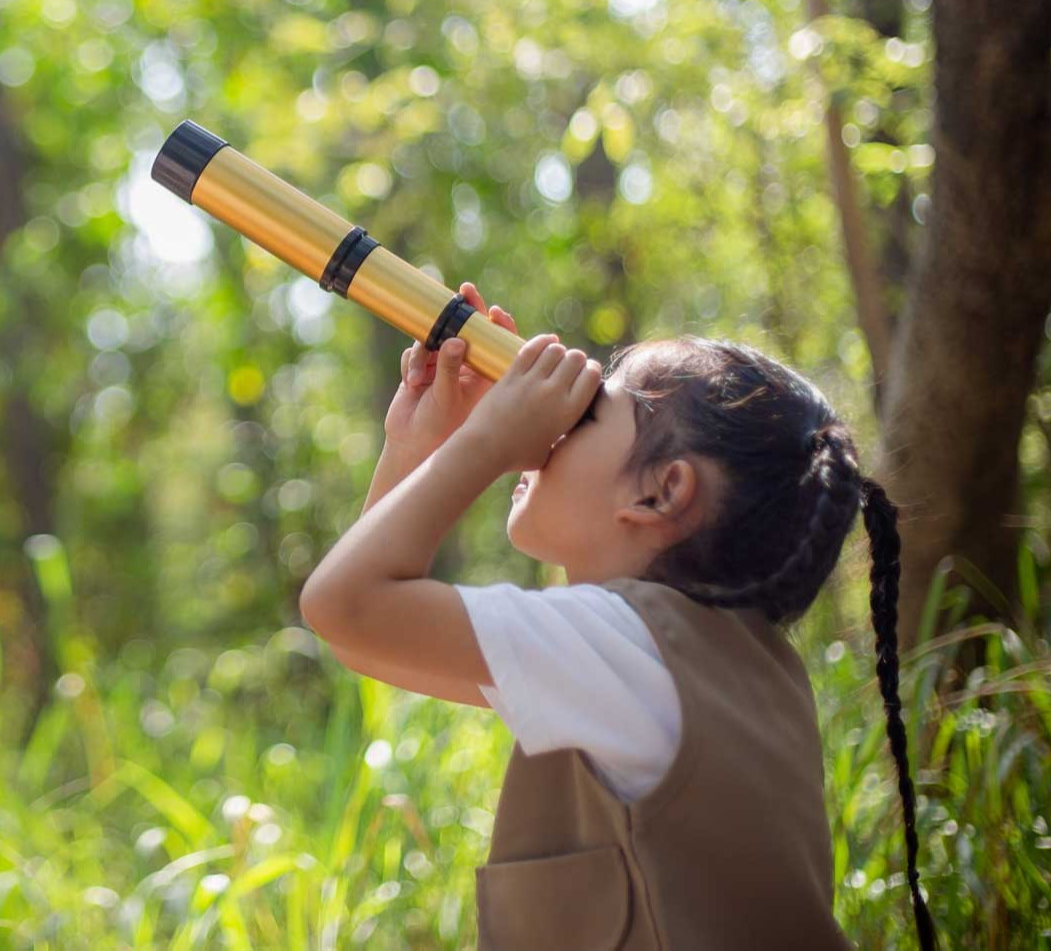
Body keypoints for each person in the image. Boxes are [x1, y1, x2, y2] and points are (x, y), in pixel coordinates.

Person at [299, 282, 935, 951]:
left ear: (661, 490)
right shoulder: (712, 659)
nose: (545, 431)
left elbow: (343, 609)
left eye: (585, 411)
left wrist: (481, 442)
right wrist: (419, 443)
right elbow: (370, 640)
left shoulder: (625, 645)